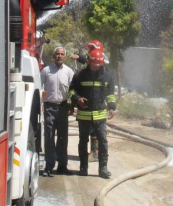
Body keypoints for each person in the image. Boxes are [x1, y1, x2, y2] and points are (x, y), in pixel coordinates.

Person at [69, 48, 116, 179]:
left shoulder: (108, 76)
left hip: (100, 115)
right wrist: (77, 98)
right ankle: (83, 167)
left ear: (102, 63)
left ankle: (103, 169)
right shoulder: (80, 75)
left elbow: (111, 93)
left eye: (98, 65)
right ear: (89, 62)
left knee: (103, 141)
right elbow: (72, 90)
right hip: (84, 115)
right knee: (83, 141)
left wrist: (112, 106)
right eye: (93, 65)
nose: (95, 68)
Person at [40, 46, 75, 177]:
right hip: (49, 107)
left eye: (62, 54)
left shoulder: (69, 72)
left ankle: (62, 166)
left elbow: (72, 90)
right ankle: (48, 166)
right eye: (57, 54)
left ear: (65, 57)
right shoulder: (46, 71)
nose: (59, 56)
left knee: (62, 137)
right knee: (49, 137)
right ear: (53, 56)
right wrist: (41, 104)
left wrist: (72, 105)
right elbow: (38, 88)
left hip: (63, 107)